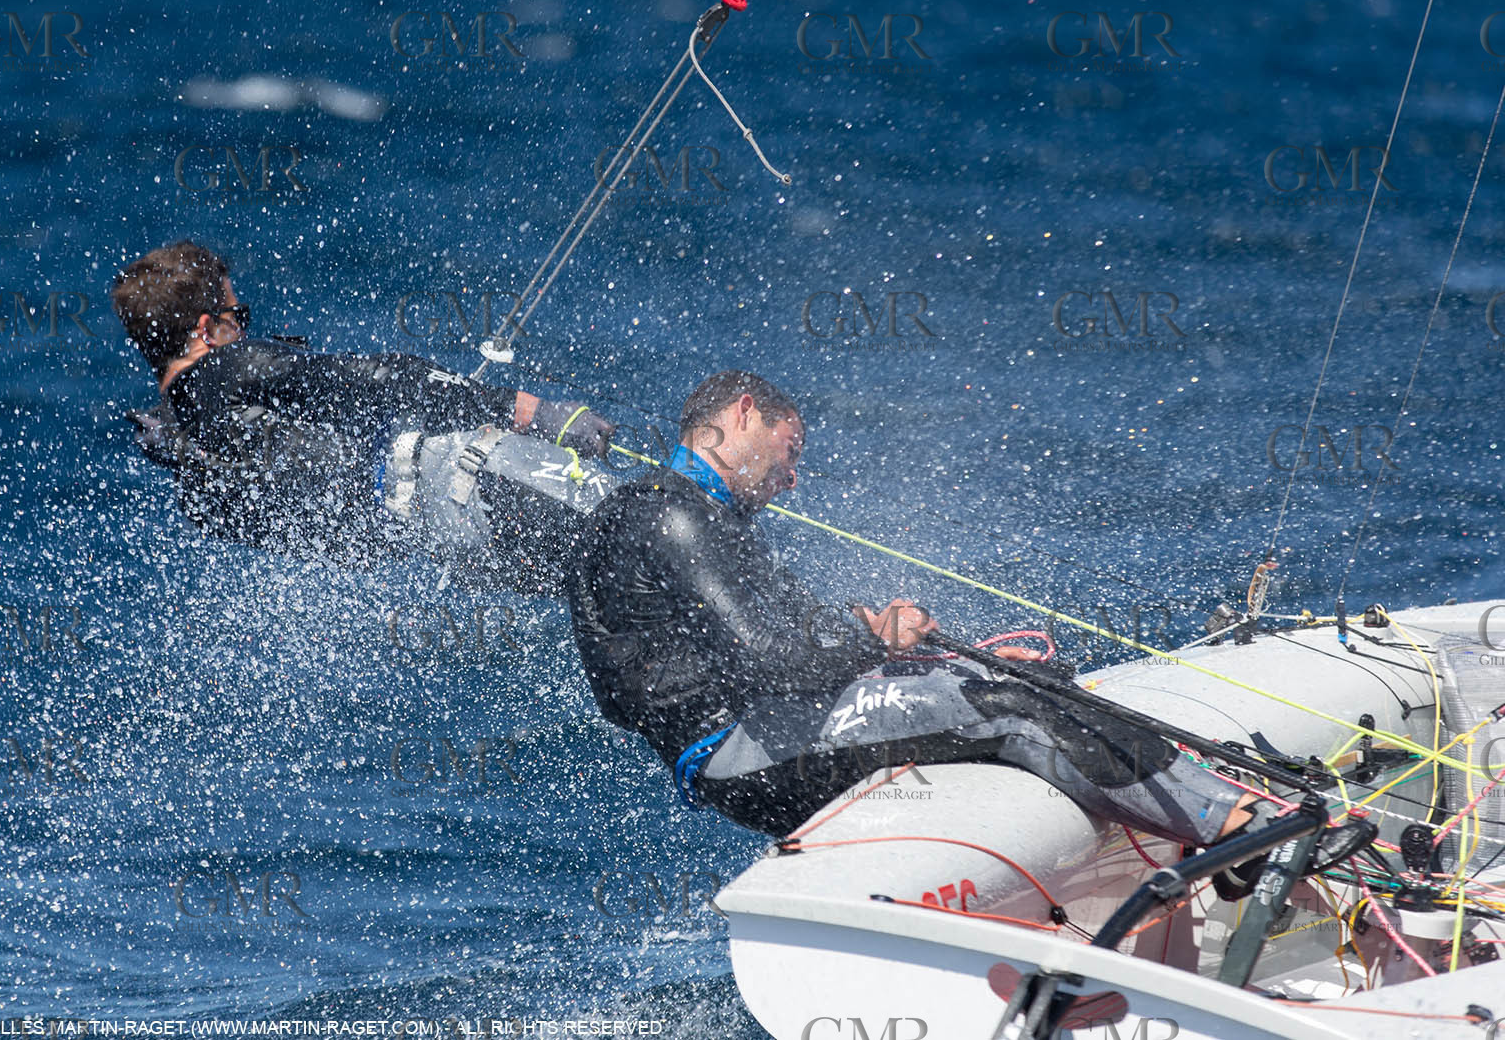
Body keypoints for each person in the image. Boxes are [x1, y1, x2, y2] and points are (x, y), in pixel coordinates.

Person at [566, 369, 1374, 892]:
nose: (793, 475)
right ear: (743, 414)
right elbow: (774, 657)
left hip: (753, 741)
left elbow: (780, 639)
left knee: (1012, 682)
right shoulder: (671, 510)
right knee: (1001, 703)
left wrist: (875, 646)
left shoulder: (690, 517)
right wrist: (882, 644)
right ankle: (1237, 831)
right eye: (789, 449)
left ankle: (1192, 812)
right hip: (741, 752)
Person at [113, 240, 617, 589]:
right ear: (207, 329)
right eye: (237, 317)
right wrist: (531, 411)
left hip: (442, 537)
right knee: (649, 534)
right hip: (462, 473)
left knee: (624, 586)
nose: (245, 329)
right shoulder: (228, 365)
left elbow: (344, 543)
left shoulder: (192, 471)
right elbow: (384, 378)